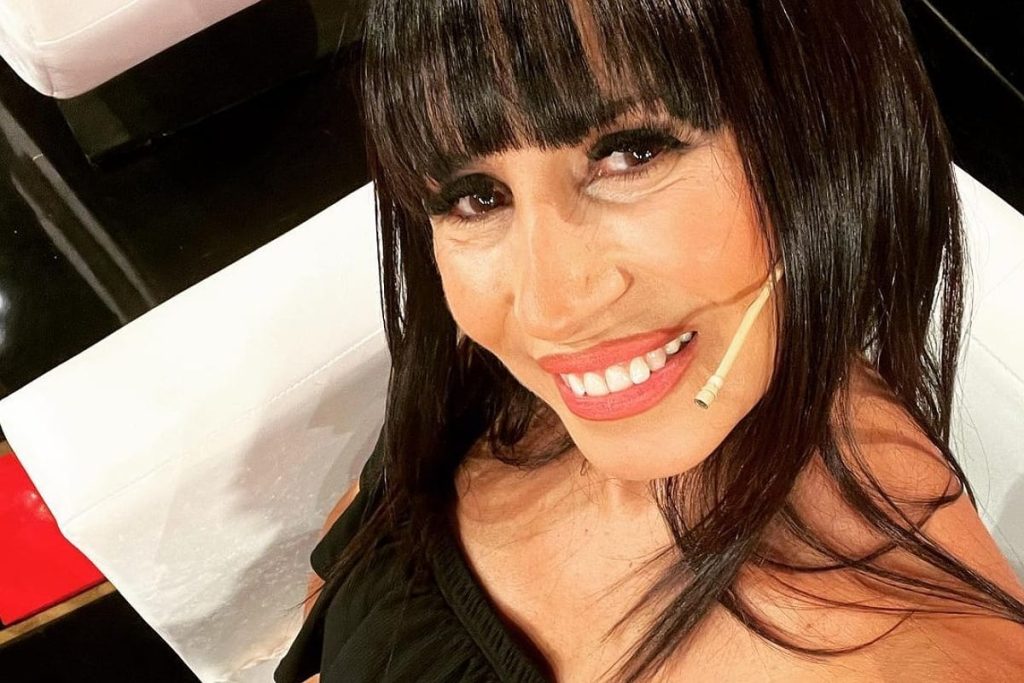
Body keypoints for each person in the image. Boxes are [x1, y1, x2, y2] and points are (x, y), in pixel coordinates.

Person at [275, 1, 1024, 681]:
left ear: (831, 130)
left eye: (632, 152)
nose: (549, 310)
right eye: (476, 196)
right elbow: (347, 574)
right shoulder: (485, 380)